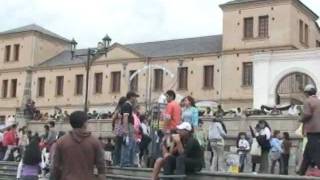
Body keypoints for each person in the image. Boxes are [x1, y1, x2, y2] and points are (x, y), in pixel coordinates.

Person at [53, 111, 106, 180]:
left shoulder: (61, 141)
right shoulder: (95, 141)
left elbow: (56, 166)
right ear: (85, 123)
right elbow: (101, 166)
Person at [299, 84, 320, 175]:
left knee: (315, 152)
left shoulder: (308, 101)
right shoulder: (318, 101)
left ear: (307, 93)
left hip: (312, 130)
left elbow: (307, 114)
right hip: (318, 130)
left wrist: (300, 118)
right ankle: (301, 172)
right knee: (307, 153)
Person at [120, 91, 139, 167]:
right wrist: (125, 129)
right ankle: (125, 162)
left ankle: (129, 162)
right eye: (135, 97)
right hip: (128, 125)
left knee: (131, 144)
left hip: (129, 125)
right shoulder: (126, 105)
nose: (135, 99)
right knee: (127, 144)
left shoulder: (129, 106)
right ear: (131, 97)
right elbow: (125, 117)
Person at [112, 97, 126, 166]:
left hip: (119, 129)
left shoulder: (119, 109)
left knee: (119, 146)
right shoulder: (119, 109)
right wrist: (113, 126)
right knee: (118, 146)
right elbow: (114, 118)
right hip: (119, 129)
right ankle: (116, 162)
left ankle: (117, 162)